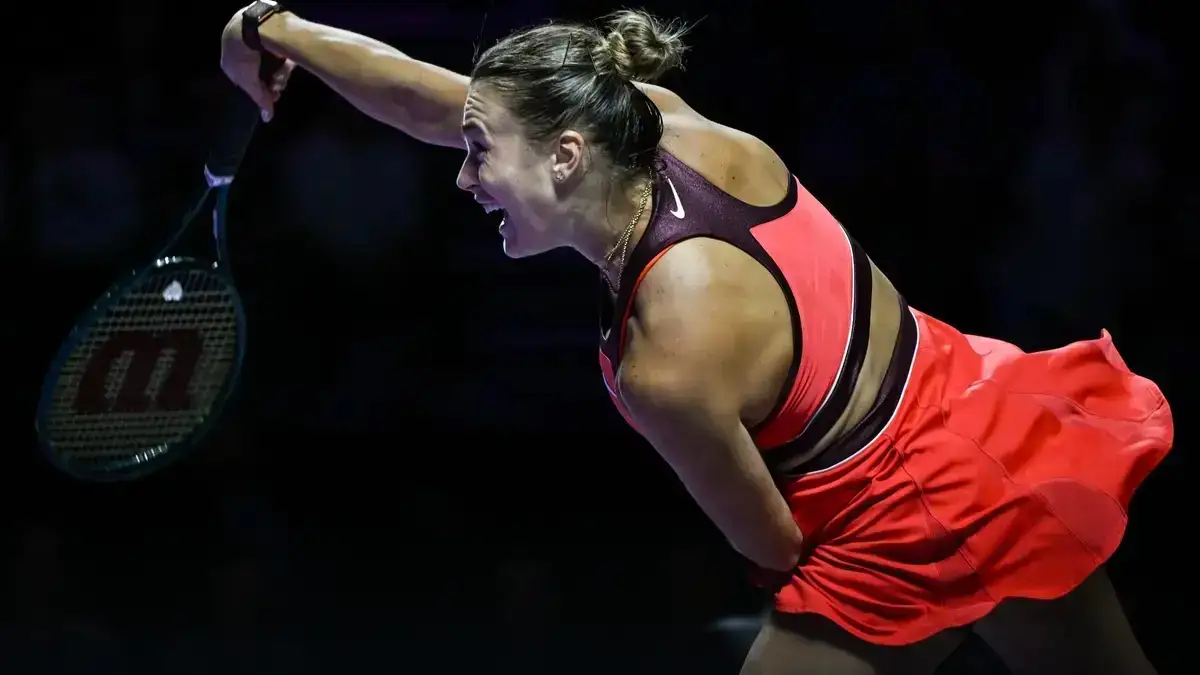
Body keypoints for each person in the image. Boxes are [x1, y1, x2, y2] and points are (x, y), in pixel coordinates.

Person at [220, 4, 1174, 674]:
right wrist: (274, 27)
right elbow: (434, 100)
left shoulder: (665, 358)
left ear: (565, 156)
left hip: (896, 516)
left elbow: (776, 538)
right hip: (981, 415)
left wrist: (802, 636)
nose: (462, 179)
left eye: (477, 156)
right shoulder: (656, 121)